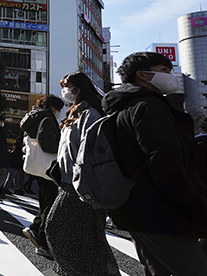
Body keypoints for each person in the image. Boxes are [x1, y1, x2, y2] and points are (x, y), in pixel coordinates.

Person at [103, 52, 207, 275]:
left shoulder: (121, 108)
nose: (171, 76)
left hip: (137, 208)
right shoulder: (150, 107)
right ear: (142, 74)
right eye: (165, 70)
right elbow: (165, 163)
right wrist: (196, 206)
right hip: (164, 211)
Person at [45, 71, 121, 276]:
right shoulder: (75, 112)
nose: (65, 90)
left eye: (67, 85)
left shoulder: (91, 114)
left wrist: (97, 189)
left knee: (57, 230)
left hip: (84, 185)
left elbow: (95, 152)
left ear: (78, 88)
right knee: (88, 238)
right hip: (70, 183)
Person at [20, 94, 64, 258]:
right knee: (50, 204)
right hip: (47, 167)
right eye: (59, 109)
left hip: (36, 166)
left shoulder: (34, 117)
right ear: (52, 107)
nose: (60, 112)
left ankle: (34, 228)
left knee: (45, 201)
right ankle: (42, 242)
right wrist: (61, 147)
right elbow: (47, 144)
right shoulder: (46, 119)